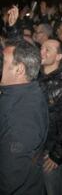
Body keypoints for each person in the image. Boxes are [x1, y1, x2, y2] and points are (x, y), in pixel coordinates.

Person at [0, 39, 49, 194]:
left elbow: (12, 173)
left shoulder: (23, 113)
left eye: (3, 61)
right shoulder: (23, 91)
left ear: (19, 69)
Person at [39, 39, 62, 195]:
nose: (42, 52)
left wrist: (57, 156)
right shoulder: (34, 76)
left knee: (53, 190)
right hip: (34, 149)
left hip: (49, 153)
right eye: (41, 48)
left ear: (59, 56)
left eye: (48, 50)